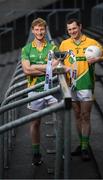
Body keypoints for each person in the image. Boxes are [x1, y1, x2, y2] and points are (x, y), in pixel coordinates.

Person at [59, 18, 103, 161]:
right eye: (69, 29)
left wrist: (98, 59)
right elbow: (59, 61)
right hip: (71, 85)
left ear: (80, 27)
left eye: (74, 28)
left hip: (86, 84)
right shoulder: (64, 44)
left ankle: (84, 147)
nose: (72, 32)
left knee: (85, 116)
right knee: (77, 115)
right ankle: (82, 144)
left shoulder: (91, 43)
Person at [21, 18, 58, 166]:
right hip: (35, 90)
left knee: (60, 120)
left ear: (45, 30)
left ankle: (61, 151)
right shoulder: (26, 49)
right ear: (32, 31)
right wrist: (46, 67)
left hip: (53, 89)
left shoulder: (53, 48)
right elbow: (26, 70)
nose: (39, 32)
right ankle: (36, 153)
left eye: (42, 29)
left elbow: (55, 67)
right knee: (35, 123)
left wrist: (36, 67)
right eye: (36, 29)